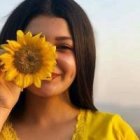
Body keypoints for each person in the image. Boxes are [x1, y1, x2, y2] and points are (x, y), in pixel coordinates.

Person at [0, 0, 139, 139]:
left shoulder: (113, 132)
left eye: (63, 47)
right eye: (35, 47)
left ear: (83, 55)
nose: (48, 60)